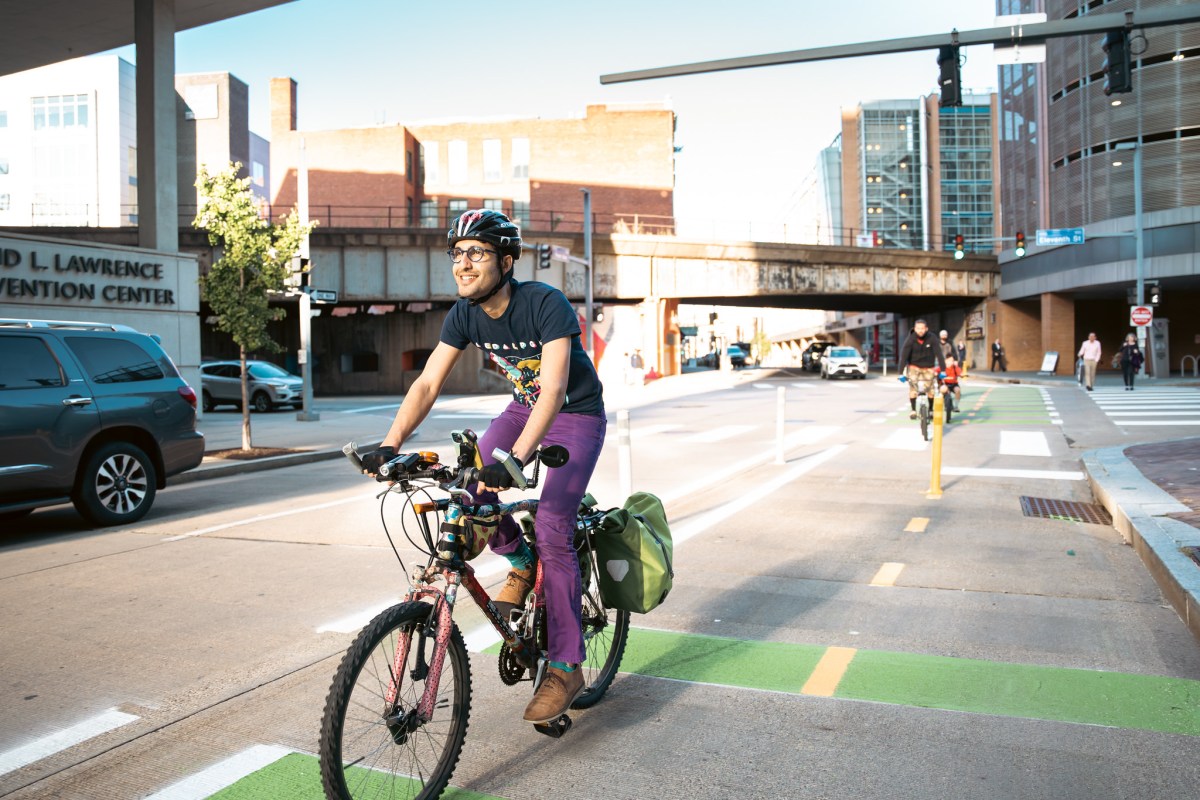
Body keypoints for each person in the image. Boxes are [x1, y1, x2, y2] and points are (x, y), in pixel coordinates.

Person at [359, 209, 605, 724]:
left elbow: (555, 389)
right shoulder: (464, 314)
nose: (463, 263)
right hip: (523, 409)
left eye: (476, 252)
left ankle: (565, 664)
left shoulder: (545, 303)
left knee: (556, 530)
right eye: (457, 253)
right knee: (470, 494)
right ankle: (519, 562)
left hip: (575, 416)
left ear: (507, 260)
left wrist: (516, 460)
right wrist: (390, 444)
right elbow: (427, 384)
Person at [899, 319, 947, 419]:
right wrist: (900, 373)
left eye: (922, 328)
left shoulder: (932, 338)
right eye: (918, 328)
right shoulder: (911, 339)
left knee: (931, 390)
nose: (920, 330)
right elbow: (904, 356)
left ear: (926, 329)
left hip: (928, 367)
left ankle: (930, 410)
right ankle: (913, 410)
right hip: (914, 366)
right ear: (915, 329)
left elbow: (939, 354)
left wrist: (943, 370)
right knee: (913, 388)